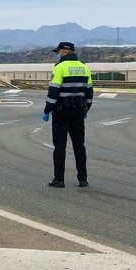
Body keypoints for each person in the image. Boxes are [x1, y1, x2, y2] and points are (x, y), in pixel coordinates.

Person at [42, 42, 93, 188]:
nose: (57, 55)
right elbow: (89, 94)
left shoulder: (60, 68)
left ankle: (59, 179)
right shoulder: (84, 67)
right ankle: (83, 179)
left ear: (64, 52)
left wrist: (47, 110)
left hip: (61, 113)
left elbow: (53, 92)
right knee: (79, 146)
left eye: (58, 52)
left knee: (60, 147)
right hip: (78, 112)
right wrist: (85, 110)